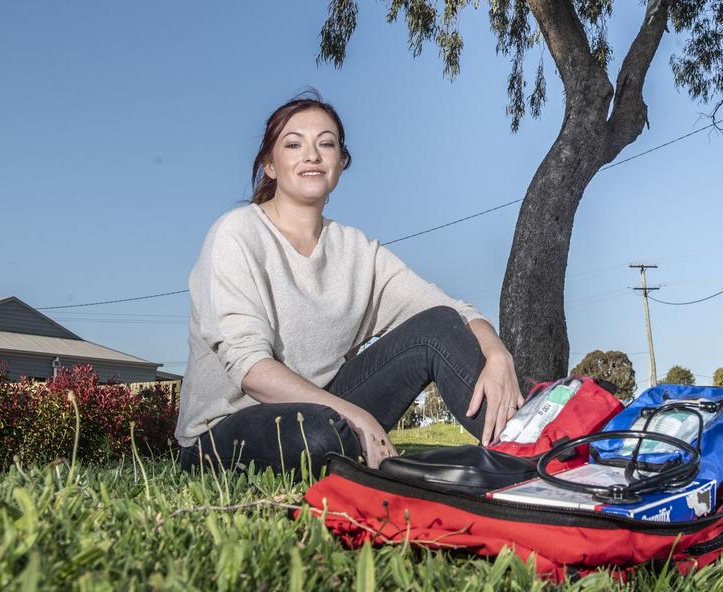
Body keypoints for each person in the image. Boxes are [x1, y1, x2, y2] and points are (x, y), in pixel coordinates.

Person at [175, 92, 523, 477]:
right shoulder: (236, 233)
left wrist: (496, 352)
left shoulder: (356, 251)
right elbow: (250, 368)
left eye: (326, 144)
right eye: (294, 144)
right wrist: (354, 414)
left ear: (341, 164)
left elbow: (449, 313)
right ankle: (350, 441)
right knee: (322, 436)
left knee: (436, 325)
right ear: (270, 165)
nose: (312, 155)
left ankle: (535, 448)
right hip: (225, 431)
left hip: (327, 410)